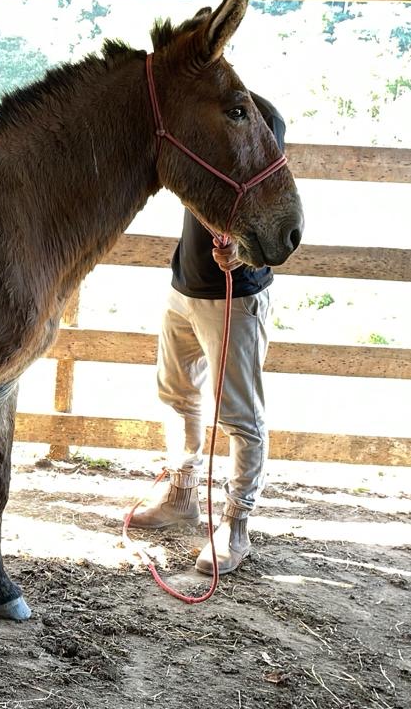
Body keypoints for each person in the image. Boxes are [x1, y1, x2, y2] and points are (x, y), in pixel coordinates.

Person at [128, 93, 287, 576]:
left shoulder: (264, 121)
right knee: (176, 395)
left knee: (240, 417)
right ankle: (181, 495)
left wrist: (242, 247)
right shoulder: (193, 111)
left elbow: (270, 199)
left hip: (236, 297)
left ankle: (236, 527)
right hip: (187, 285)